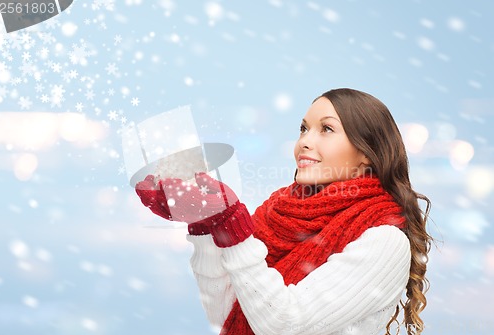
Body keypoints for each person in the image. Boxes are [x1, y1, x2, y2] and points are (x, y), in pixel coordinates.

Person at [135, 88, 433, 335]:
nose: (304, 141)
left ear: (366, 152)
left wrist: (234, 227)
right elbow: (227, 316)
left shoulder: (383, 241)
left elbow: (285, 324)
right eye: (304, 128)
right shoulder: (278, 216)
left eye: (326, 129)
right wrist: (207, 227)